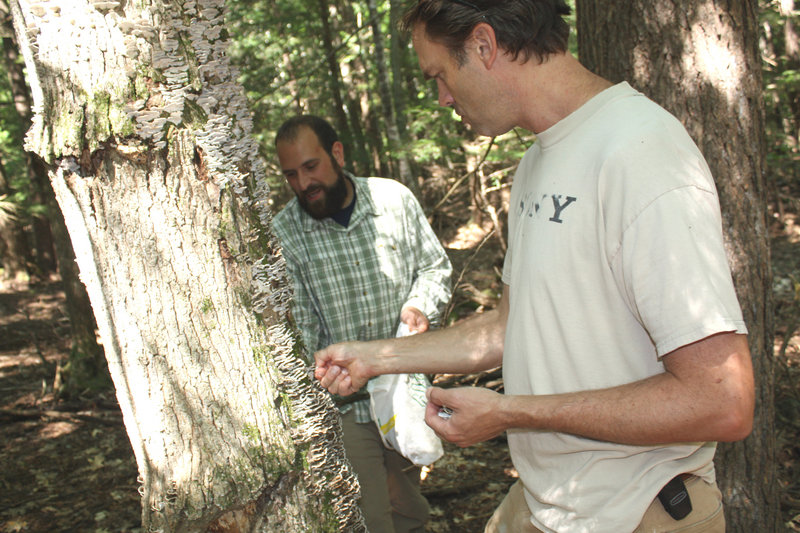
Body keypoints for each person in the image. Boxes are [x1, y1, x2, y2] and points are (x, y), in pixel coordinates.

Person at [313, 2, 756, 532]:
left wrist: (509, 412)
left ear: (484, 44)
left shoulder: (641, 152)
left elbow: (721, 399)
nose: (442, 98)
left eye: (440, 76)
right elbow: (509, 324)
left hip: (639, 512)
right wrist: (374, 358)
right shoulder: (536, 162)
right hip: (550, 505)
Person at [271, 115, 452, 532]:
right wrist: (319, 381)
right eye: (291, 175)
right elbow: (302, 329)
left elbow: (433, 268)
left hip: (406, 391)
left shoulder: (393, 200)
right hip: (345, 405)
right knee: (369, 516)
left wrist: (419, 306)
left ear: (336, 153)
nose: (303, 183)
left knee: (408, 503)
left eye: (311, 167)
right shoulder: (286, 233)